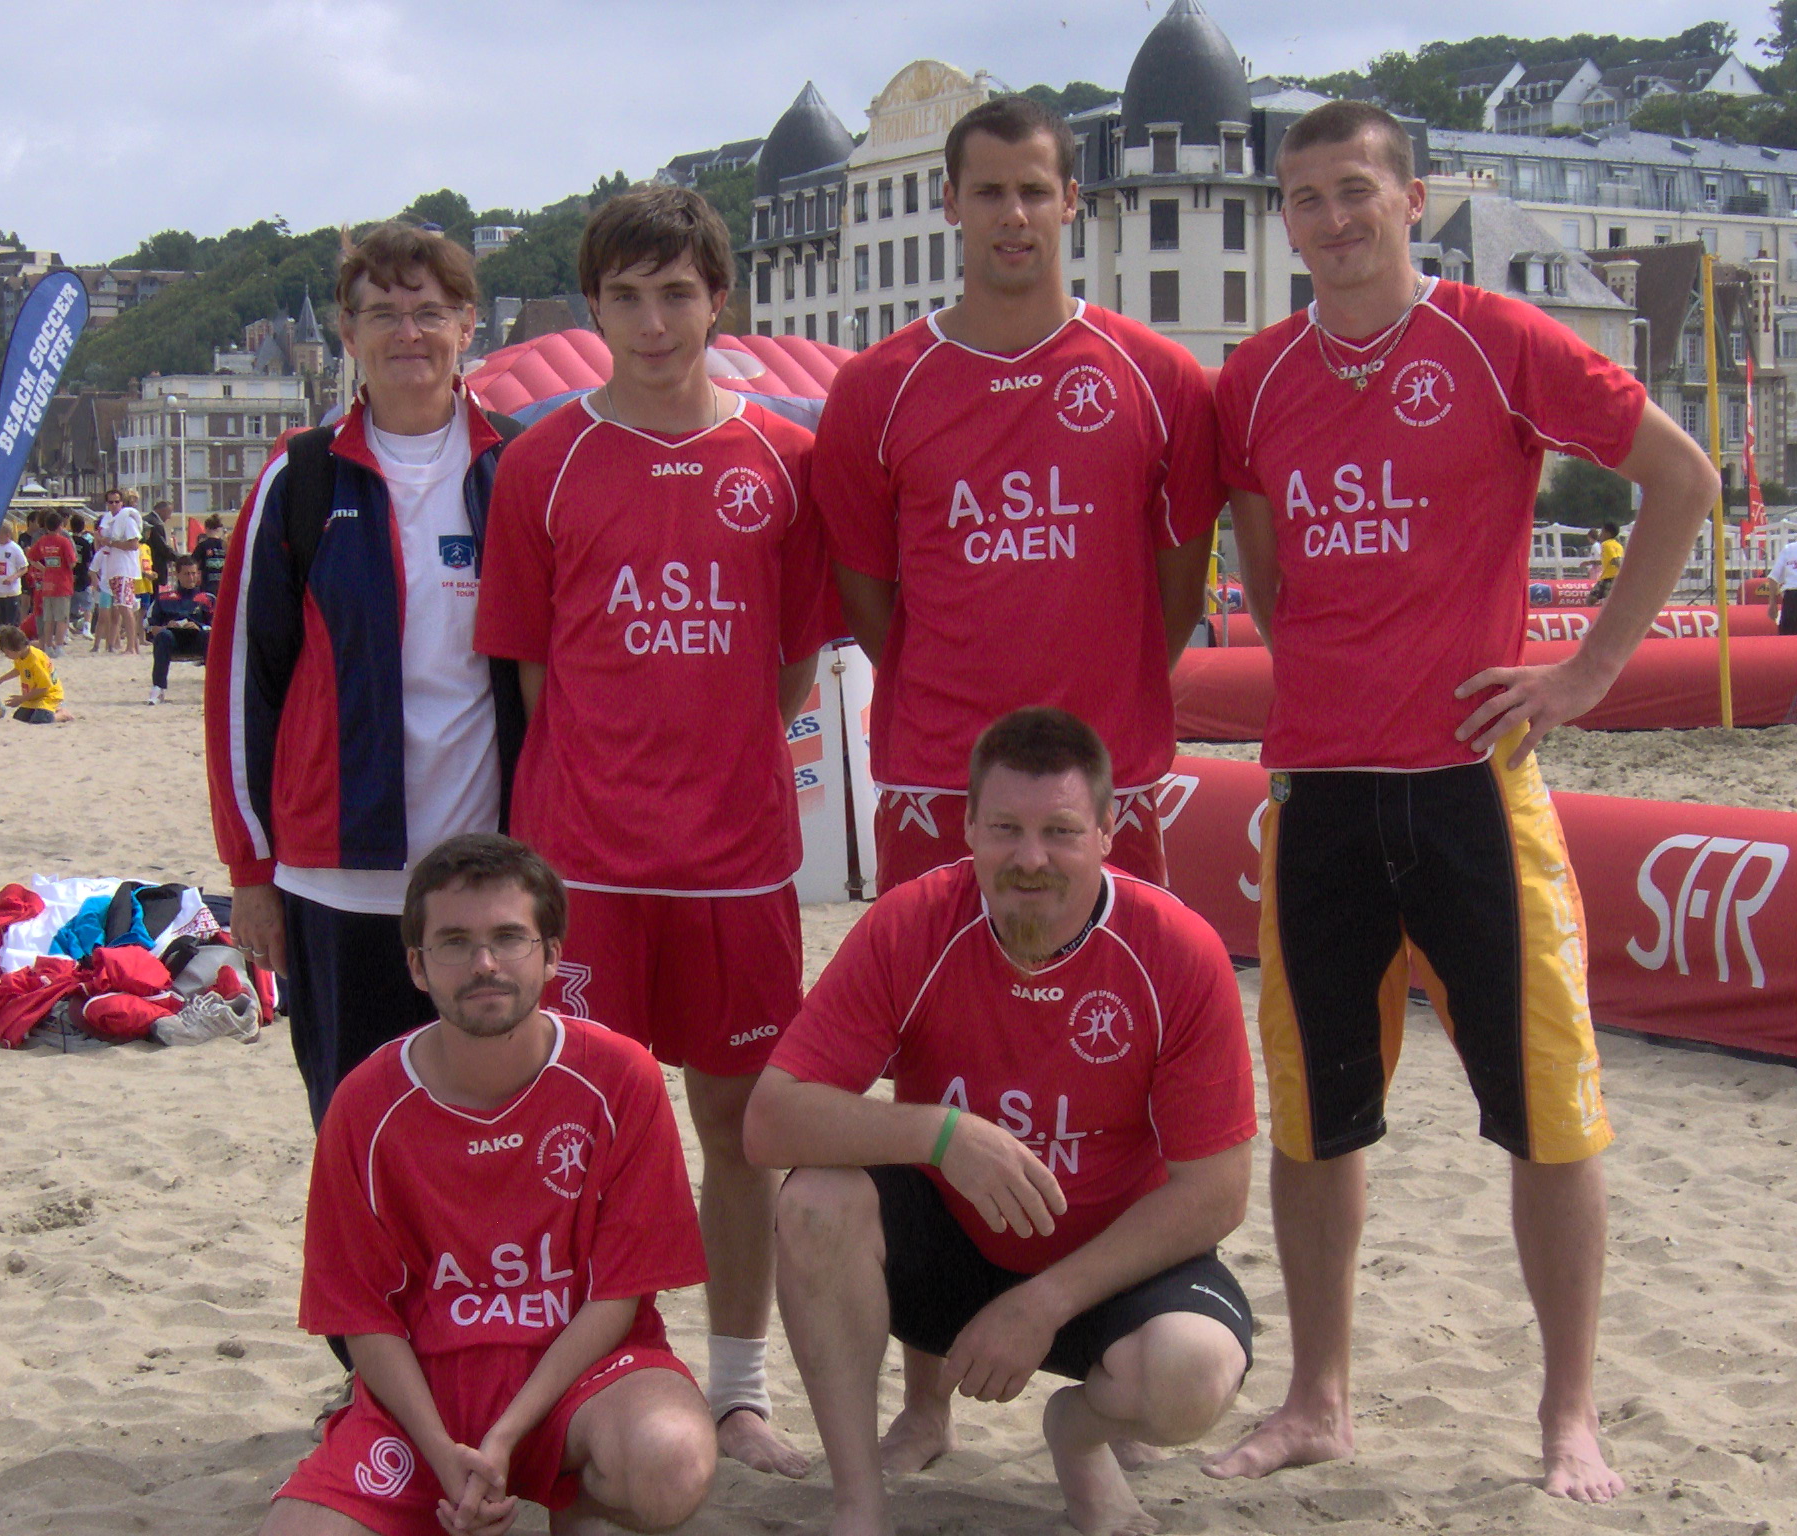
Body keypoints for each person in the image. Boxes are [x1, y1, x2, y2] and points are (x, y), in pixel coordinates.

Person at [1207, 101, 1719, 1504]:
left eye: (1356, 191)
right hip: (1316, 793)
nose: (1332, 219)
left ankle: (1569, 1416)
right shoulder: (1253, 380)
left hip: (1474, 791)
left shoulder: (1495, 342)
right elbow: (1263, 557)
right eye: (1304, 199)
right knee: (1316, 1122)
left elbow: (1682, 478)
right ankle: (1317, 1399)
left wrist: (1589, 670)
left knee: (1548, 1114)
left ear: (1411, 199)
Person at [475, 184, 832, 1477]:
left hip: (737, 865)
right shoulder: (543, 460)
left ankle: (738, 1392)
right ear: (595, 306)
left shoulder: (783, 464)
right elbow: (529, 679)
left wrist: (717, 751)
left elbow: (790, 665)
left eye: (676, 290)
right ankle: (614, 1369)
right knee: (578, 1133)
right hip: (583, 864)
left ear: (718, 298)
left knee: (741, 1136)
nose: (652, 318)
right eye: (625, 294)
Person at [746, 708, 1258, 1536]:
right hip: (950, 1257)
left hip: (1102, 1264)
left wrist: (1045, 1302)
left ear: (1107, 831)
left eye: (1060, 831)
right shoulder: (914, 921)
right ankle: (859, 1505)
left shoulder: (1177, 949)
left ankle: (1079, 1436)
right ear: (968, 829)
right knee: (814, 1203)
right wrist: (941, 1136)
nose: (1030, 858)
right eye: (1006, 829)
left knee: (1191, 1378)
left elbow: (1219, 1192)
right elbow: (769, 1123)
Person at [811, 94, 1221, 895]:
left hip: (1107, 771)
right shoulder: (874, 390)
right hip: (938, 775)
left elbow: (1175, 596)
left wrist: (1112, 683)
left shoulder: (1158, 377)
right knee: (935, 1015)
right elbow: (869, 605)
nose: (1014, 215)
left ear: (1071, 200)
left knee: (1111, 1010)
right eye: (990, 193)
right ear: (951, 203)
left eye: (1034, 191)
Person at [260, 833, 718, 1536]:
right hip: (426, 1401)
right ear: (416, 965)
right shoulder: (365, 1103)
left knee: (671, 1460)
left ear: (552, 954)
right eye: (453, 942)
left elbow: (617, 1297)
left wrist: (506, 1435)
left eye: (509, 937)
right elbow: (361, 1315)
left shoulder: (620, 1077)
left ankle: (577, 1502)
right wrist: (448, 1457)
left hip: (579, 1380)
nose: (484, 964)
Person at [205, 219, 526, 1127]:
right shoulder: (302, 478)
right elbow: (242, 684)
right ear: (346, 334)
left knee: (489, 1123)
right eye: (381, 312)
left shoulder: (516, 472)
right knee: (358, 1127)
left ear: (470, 326)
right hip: (337, 879)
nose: (406, 333)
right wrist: (252, 867)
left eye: (429, 311)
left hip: (484, 874)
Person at [146, 555, 213, 704]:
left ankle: (213, 690)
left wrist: (201, 627)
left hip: (197, 639)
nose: (191, 578)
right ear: (177, 575)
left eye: (194, 573)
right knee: (164, 636)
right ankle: (158, 688)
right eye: (186, 574)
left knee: (210, 636)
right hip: (172, 640)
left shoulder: (207, 599)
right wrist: (166, 627)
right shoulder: (164, 598)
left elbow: (218, 626)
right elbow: (150, 627)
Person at [0, 624, 72, 723]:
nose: (6, 655)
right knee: (20, 717)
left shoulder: (35, 660)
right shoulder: (21, 656)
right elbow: (18, 669)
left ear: (16, 648)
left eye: (7, 652)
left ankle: (62, 714)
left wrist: (20, 699)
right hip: (34, 697)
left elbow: (44, 687)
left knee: (41, 719)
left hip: (49, 695)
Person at [99, 490, 145, 656]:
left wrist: (111, 542)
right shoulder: (111, 522)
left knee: (125, 607)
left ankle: (131, 646)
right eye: (110, 502)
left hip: (124, 569)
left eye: (117, 502)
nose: (114, 505)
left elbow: (134, 544)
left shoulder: (127, 521)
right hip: (114, 568)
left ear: (122, 503)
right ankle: (132, 645)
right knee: (122, 606)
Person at [25, 509, 76, 654]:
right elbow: (72, 562)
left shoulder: (42, 540)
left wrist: (43, 568)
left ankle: (48, 646)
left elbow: (31, 557)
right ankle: (59, 646)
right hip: (62, 584)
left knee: (48, 618)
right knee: (62, 618)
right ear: (60, 525)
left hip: (47, 584)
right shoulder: (64, 541)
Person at [0, 521, 27, 631]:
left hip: (11, 592)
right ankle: (3, 643)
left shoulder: (15, 548)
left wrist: (13, 577)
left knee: (12, 622)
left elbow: (24, 567)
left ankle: (12, 644)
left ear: (7, 534)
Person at [67, 512, 95, 641]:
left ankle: (66, 631)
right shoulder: (85, 542)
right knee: (88, 606)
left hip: (69, 576)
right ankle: (86, 629)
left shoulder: (68, 541)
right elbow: (89, 561)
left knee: (69, 607)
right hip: (83, 577)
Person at [193, 513, 230, 595]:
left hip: (207, 587)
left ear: (206, 528)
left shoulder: (202, 546)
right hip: (224, 586)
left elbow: (193, 563)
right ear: (219, 529)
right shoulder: (226, 545)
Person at [1588, 522, 1624, 604]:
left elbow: (1615, 559)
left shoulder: (1606, 544)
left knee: (1592, 600)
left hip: (1609, 578)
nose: (1600, 535)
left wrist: (1623, 572)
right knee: (1595, 599)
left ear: (1608, 534)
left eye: (1602, 532)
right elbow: (1609, 560)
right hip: (1612, 576)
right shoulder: (1619, 545)